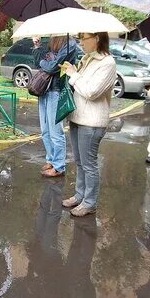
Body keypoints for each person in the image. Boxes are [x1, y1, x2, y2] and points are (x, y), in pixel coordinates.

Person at [60, 32, 117, 217]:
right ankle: (80, 195)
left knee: (89, 164)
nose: (81, 42)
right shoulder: (86, 59)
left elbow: (91, 92)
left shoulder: (107, 63)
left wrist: (74, 74)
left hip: (92, 122)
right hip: (77, 118)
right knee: (79, 162)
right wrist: (70, 72)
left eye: (84, 38)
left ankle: (90, 202)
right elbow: (78, 86)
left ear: (97, 38)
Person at [33, 35, 80, 177]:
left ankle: (59, 166)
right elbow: (37, 63)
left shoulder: (70, 43)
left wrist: (44, 62)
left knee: (55, 132)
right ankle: (51, 160)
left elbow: (54, 67)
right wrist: (37, 47)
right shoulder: (51, 40)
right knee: (45, 130)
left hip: (57, 90)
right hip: (44, 89)